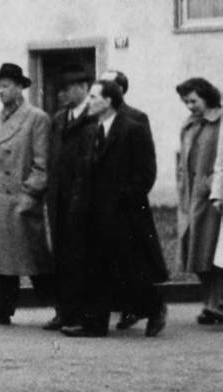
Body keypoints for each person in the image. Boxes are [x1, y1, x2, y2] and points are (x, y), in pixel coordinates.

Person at [63, 77, 168, 338]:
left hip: (123, 215)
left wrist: (121, 198)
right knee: (94, 267)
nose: (90, 103)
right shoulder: (90, 131)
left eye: (95, 98)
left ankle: (155, 308)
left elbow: (146, 173)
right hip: (92, 214)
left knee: (129, 267)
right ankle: (94, 325)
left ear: (109, 101)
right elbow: (82, 173)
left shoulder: (132, 128)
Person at [0, 62, 53, 326]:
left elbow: (42, 164)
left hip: (20, 196)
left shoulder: (36, 118)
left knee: (33, 258)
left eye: (6, 86)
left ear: (20, 88)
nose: (1, 91)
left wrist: (30, 195)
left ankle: (64, 307)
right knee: (0, 258)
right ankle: (1, 307)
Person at [44, 64, 98, 331]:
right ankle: (67, 311)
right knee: (62, 257)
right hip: (59, 199)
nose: (61, 94)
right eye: (59, 89)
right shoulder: (59, 119)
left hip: (84, 199)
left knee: (83, 258)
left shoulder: (95, 115)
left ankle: (84, 315)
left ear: (84, 88)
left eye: (66, 89)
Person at [175, 77, 222, 324]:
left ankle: (216, 303)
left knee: (212, 251)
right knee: (195, 251)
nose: (190, 106)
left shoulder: (220, 122)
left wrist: (212, 183)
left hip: (212, 195)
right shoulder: (190, 124)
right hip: (191, 196)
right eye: (186, 102)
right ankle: (210, 302)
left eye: (193, 100)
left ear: (206, 96)